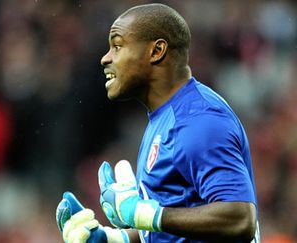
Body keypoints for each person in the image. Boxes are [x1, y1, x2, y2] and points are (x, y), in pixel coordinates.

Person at [56, 3, 260, 243]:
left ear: (156, 51)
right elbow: (174, 219)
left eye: (118, 46)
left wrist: (142, 213)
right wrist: (114, 239)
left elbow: (240, 218)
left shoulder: (199, 120)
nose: (105, 58)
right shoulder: (163, 119)